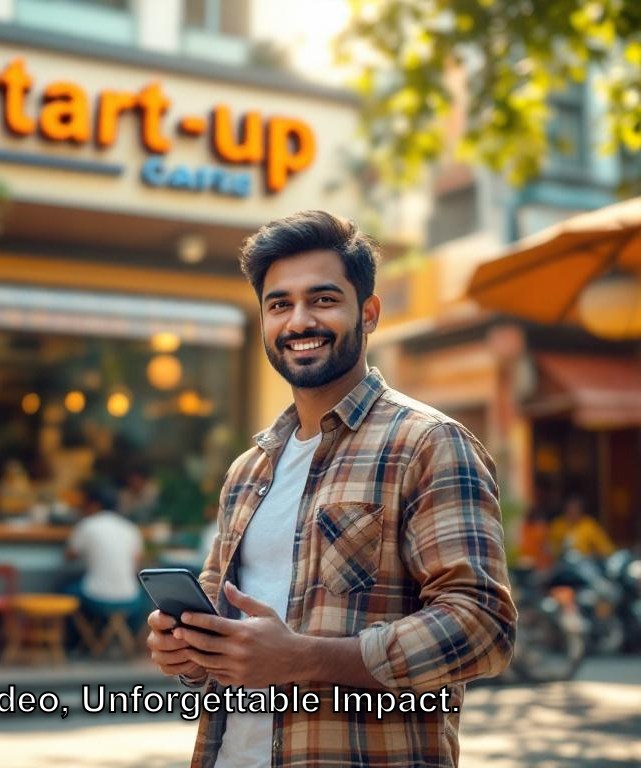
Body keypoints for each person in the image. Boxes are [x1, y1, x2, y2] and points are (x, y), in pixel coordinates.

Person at [146, 210, 516, 768]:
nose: (299, 321)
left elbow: (483, 626)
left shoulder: (427, 444)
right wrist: (187, 650)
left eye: (322, 300)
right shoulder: (249, 470)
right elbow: (223, 637)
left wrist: (304, 660)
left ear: (368, 312)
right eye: (279, 304)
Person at [66, 484, 144, 607]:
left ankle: (78, 626)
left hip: (95, 596)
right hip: (130, 597)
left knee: (65, 590)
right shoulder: (131, 528)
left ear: (94, 504)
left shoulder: (87, 524)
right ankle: (118, 626)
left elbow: (70, 555)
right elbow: (137, 564)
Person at [548, 494, 615, 560]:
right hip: (562, 563)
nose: (572, 512)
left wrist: (592, 554)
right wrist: (560, 549)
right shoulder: (558, 525)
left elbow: (606, 549)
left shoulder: (589, 525)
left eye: (575, 509)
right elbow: (549, 547)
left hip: (585, 563)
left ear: (581, 510)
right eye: (570, 509)